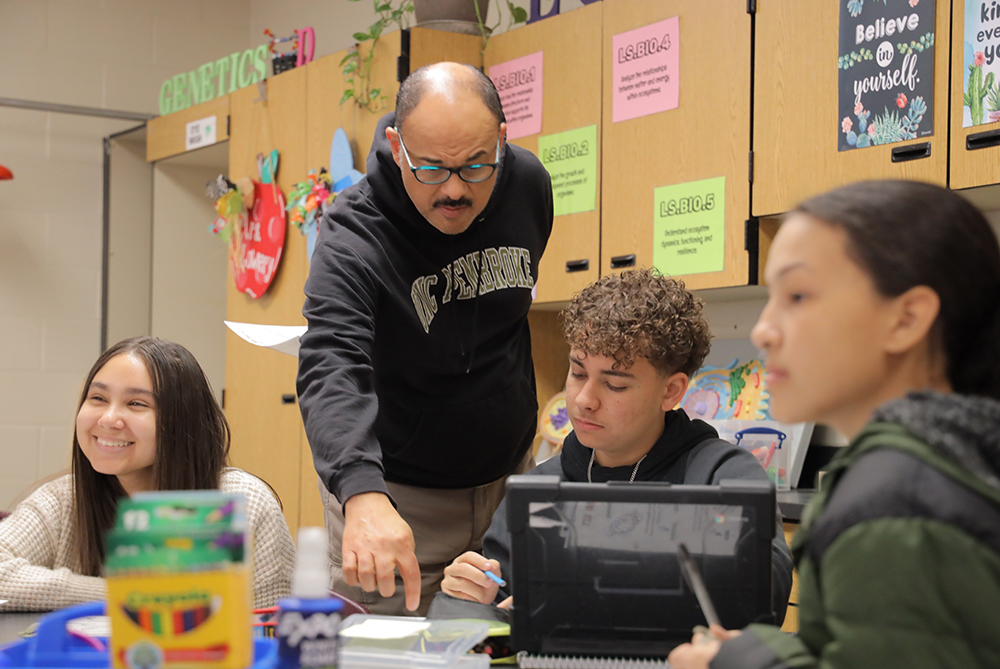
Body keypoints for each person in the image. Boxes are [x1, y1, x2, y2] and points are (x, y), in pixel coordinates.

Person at [668, 180, 1000, 669]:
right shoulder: (951, 463)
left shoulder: (896, 506)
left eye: (798, 295)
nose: (763, 329)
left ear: (907, 318)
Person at [296, 62, 552, 616]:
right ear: (397, 144)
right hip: (398, 501)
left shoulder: (529, 186)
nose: (456, 189)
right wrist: (363, 494)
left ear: (503, 141)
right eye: (432, 168)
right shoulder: (353, 234)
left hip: (510, 483)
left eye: (476, 165)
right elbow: (331, 362)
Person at [440, 268, 793, 622]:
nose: (583, 400)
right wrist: (476, 596)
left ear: (670, 391)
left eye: (615, 385)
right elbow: (503, 602)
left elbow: (767, 594)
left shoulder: (725, 476)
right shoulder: (538, 488)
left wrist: (586, 595)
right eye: (578, 373)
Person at [0, 337, 296, 611]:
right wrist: (129, 594)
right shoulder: (64, 499)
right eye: (98, 398)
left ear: (182, 422)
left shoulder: (242, 502)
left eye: (136, 404)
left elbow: (272, 628)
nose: (109, 419)